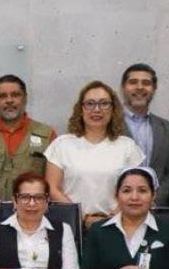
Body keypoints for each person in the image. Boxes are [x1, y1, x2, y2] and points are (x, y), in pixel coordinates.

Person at [44, 81, 146, 229]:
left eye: (104, 103)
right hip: (71, 226)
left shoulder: (128, 146)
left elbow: (138, 189)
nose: (97, 109)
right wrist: (80, 217)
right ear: (81, 109)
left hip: (118, 225)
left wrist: (111, 218)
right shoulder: (62, 144)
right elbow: (52, 188)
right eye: (90, 104)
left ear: (113, 109)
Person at [0, 74, 57, 207]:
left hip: (33, 213)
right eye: (2, 96)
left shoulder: (47, 135)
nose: (9, 100)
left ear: (25, 98)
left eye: (15, 95)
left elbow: (54, 185)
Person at [82, 167, 169, 269]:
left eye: (142, 191)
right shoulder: (98, 230)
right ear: (116, 196)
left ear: (153, 196)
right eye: (127, 191)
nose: (134, 197)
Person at [0, 171, 79, 269]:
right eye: (25, 197)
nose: (31, 203)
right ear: (15, 201)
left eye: (38, 197)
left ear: (47, 202)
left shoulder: (64, 230)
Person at [118, 63, 169, 203]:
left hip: (156, 207)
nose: (140, 87)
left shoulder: (167, 129)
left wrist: (153, 199)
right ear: (123, 87)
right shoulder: (108, 124)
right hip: (115, 208)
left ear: (154, 89)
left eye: (146, 83)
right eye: (133, 82)